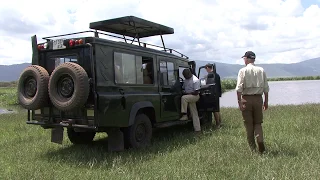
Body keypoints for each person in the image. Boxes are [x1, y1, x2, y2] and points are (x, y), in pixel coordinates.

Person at [235, 51, 269, 154]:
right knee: (258, 123)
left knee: (249, 125)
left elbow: (239, 89)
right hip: (258, 99)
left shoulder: (242, 71)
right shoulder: (261, 70)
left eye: (244, 58)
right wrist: (266, 102)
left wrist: (239, 102)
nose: (244, 60)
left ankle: (253, 149)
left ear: (247, 58)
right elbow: (266, 88)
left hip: (246, 99)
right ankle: (260, 141)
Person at [179, 69, 201, 134]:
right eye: (184, 76)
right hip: (189, 96)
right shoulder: (186, 80)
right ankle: (198, 130)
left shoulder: (195, 80)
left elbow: (196, 92)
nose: (185, 77)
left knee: (184, 98)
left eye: (186, 75)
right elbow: (183, 87)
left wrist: (188, 94)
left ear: (189, 74)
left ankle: (184, 115)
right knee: (194, 113)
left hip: (194, 96)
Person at [205, 63, 222, 128]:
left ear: (207, 68)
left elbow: (208, 85)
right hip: (217, 93)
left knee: (214, 110)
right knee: (217, 109)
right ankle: (220, 122)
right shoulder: (217, 75)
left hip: (212, 94)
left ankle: (217, 124)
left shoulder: (210, 75)